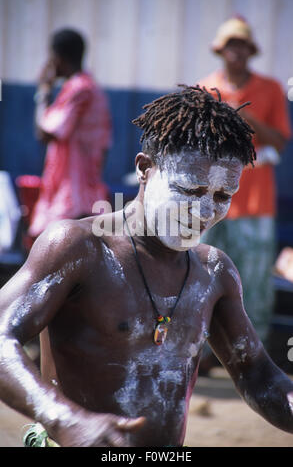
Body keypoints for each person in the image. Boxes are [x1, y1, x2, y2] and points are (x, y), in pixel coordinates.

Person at [0, 86, 292, 448]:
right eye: (190, 190)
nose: (204, 212)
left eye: (221, 197)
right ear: (144, 169)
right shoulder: (80, 248)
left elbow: (258, 373)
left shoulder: (214, 271)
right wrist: (64, 418)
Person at [198, 16, 291, 346]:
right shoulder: (206, 89)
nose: (236, 52)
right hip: (212, 201)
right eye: (230, 46)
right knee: (205, 277)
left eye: (242, 46)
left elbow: (280, 141)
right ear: (221, 51)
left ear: (250, 51)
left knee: (253, 284)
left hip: (255, 203)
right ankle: (206, 351)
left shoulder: (270, 89)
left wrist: (248, 119)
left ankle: (254, 354)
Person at [29, 28, 112, 239]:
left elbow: (45, 133)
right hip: (88, 190)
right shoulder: (95, 91)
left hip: (71, 195)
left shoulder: (78, 90)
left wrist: (44, 91)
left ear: (57, 58)